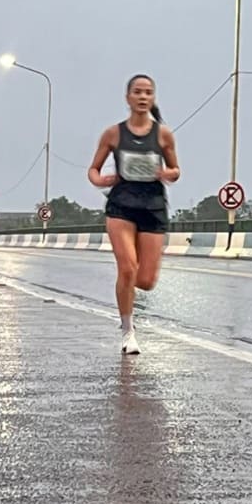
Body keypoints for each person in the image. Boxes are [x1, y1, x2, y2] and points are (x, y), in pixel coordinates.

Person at [88, 74, 180, 355]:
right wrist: (100, 180)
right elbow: (93, 168)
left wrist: (166, 173)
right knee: (127, 268)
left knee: (146, 281)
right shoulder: (113, 134)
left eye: (148, 93)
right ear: (128, 98)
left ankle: (125, 288)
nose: (142, 97)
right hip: (122, 206)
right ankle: (128, 331)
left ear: (153, 98)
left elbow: (176, 170)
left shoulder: (163, 134)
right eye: (137, 92)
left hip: (152, 207)